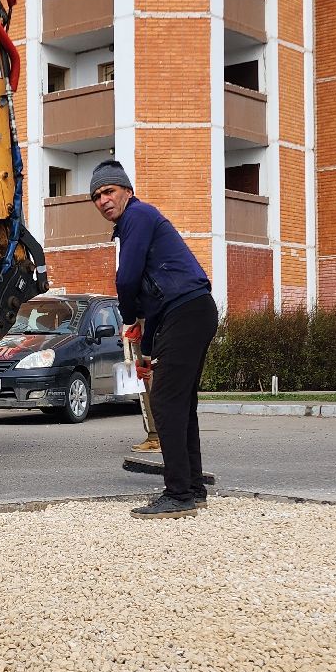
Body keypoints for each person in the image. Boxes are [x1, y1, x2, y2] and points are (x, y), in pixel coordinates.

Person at [89, 161, 217, 518]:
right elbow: (152, 298)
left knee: (165, 403)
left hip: (187, 311)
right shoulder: (136, 223)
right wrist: (145, 346)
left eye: (109, 191)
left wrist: (128, 317)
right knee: (180, 404)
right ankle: (192, 487)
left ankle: (178, 495)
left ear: (127, 191)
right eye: (97, 196)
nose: (103, 200)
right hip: (188, 312)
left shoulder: (138, 216)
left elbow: (127, 279)